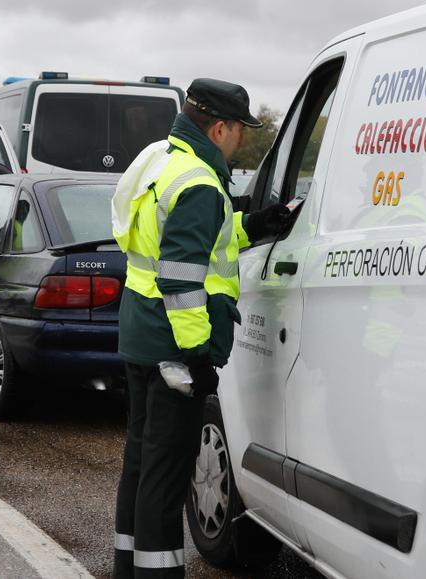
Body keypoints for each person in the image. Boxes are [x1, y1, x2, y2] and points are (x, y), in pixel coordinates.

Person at [110, 79, 295, 577]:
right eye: (239, 131)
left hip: (140, 335)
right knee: (166, 479)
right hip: (174, 348)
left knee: (141, 465)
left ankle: (126, 567)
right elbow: (182, 276)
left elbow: (181, 238)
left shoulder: (159, 160)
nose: (240, 141)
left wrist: (253, 226)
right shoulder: (199, 182)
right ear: (220, 127)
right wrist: (195, 355)